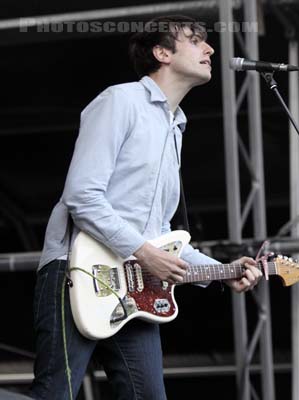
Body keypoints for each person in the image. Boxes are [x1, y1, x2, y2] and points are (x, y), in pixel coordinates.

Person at [30, 15, 263, 400]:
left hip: (134, 290)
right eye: (195, 41)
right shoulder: (120, 100)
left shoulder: (175, 127)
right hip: (75, 270)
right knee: (55, 392)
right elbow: (82, 195)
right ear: (162, 53)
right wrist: (143, 252)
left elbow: (162, 236)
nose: (210, 49)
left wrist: (223, 272)